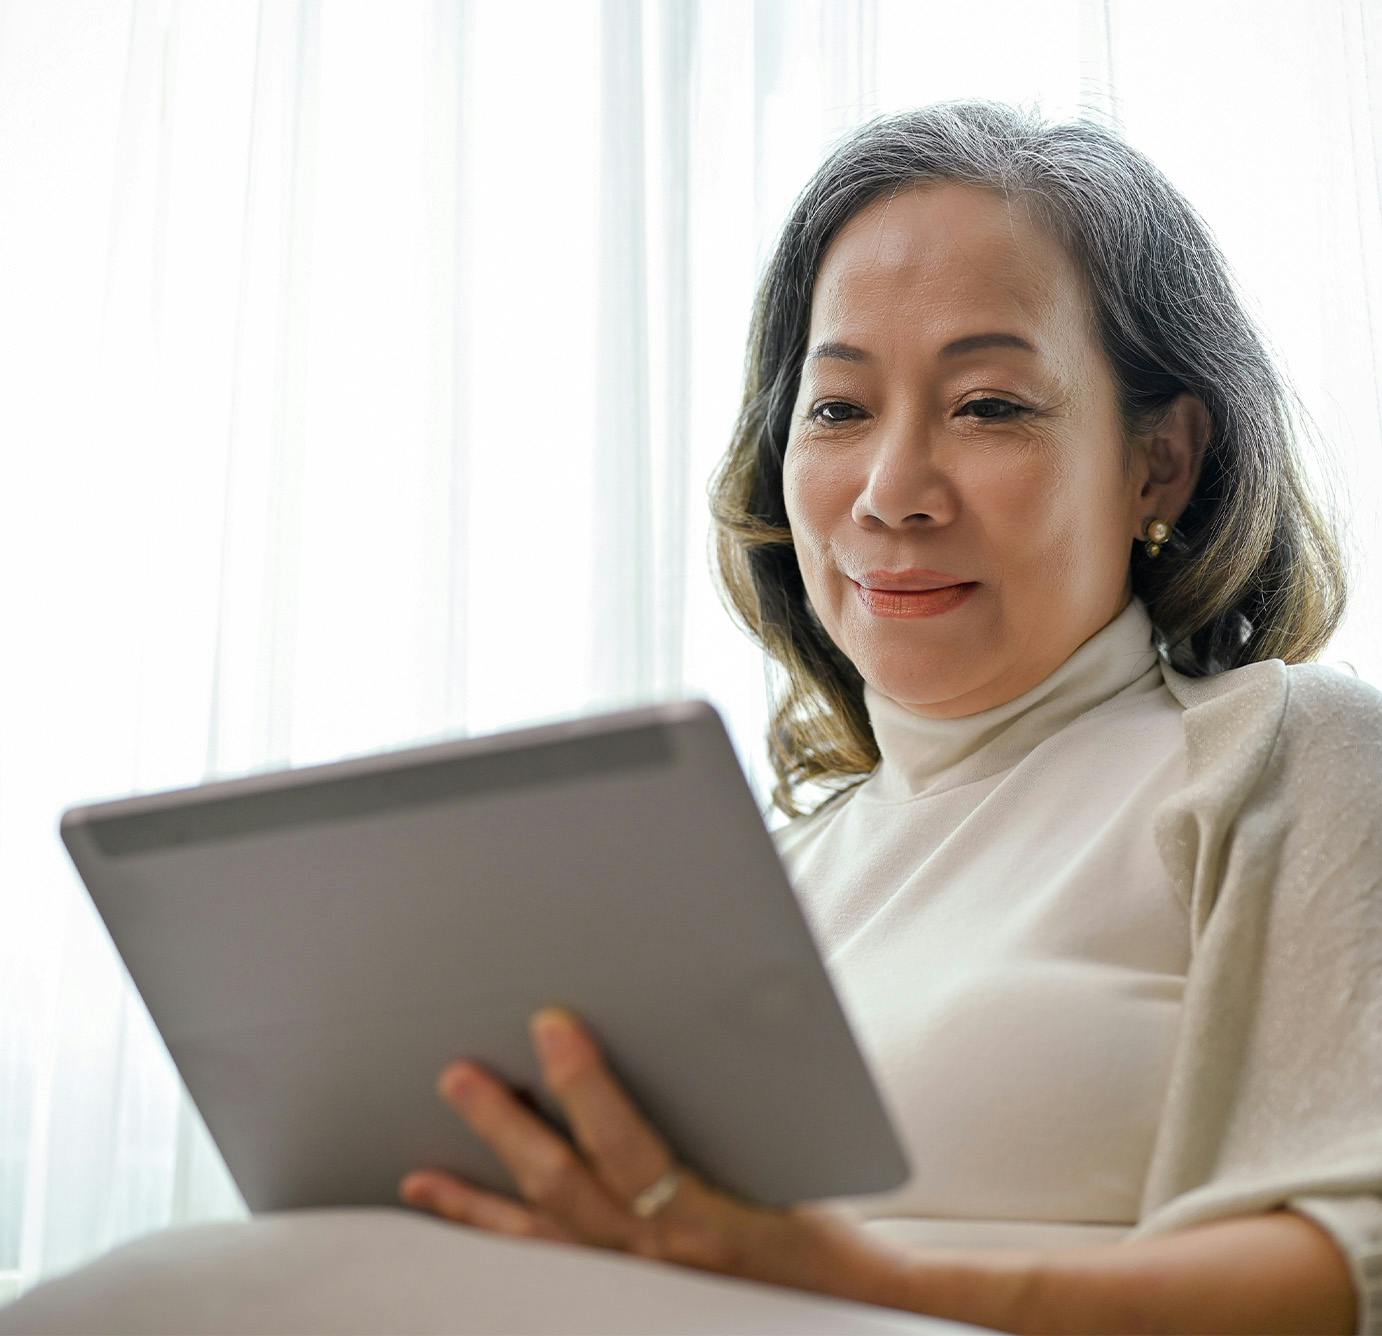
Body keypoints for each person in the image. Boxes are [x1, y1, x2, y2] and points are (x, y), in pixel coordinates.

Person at [3, 99, 1378, 1336]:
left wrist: (860, 1282)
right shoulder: (755, 879)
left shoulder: (1281, 750)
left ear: (1161, 458)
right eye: (837, 406)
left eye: (986, 405)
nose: (890, 490)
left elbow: (1348, 1270)